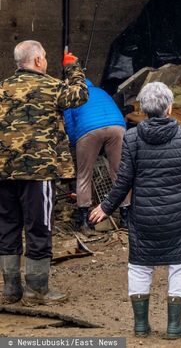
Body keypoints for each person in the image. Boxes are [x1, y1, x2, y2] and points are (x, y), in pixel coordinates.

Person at [89, 81, 181, 340]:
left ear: (143, 110)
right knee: (180, 266)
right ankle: (173, 326)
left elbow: (123, 180)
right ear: (169, 108)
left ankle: (140, 325)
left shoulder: (131, 138)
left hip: (144, 217)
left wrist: (105, 207)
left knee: (140, 267)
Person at [0, 41, 88, 305]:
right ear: (38, 60)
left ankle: (11, 289)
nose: (46, 61)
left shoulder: (2, 88)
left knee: (6, 227)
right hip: (38, 173)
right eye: (46, 57)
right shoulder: (51, 86)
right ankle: (37, 290)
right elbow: (80, 94)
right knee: (39, 227)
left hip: (3, 171)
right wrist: (73, 68)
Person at [64, 79, 128, 233]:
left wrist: (75, 143)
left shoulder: (71, 95)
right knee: (120, 173)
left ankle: (85, 220)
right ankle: (126, 218)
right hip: (117, 127)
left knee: (84, 174)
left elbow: (70, 124)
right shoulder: (101, 91)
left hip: (89, 130)